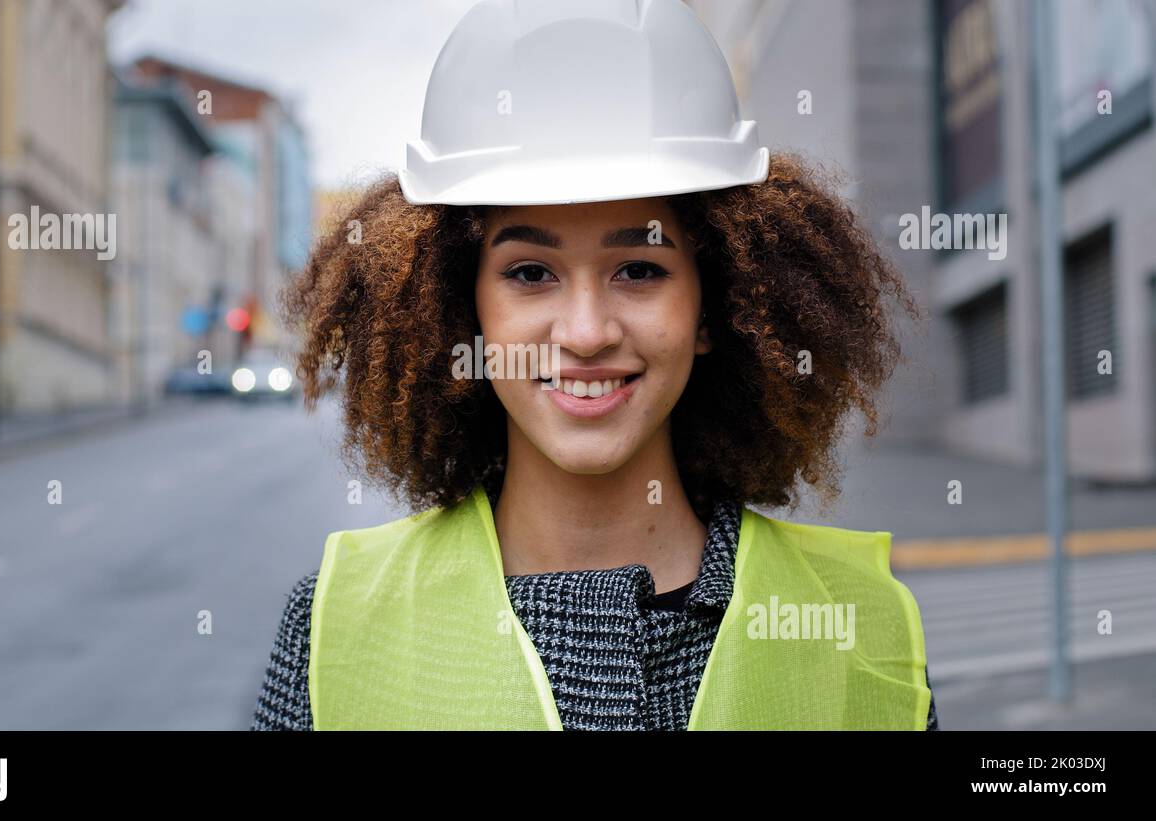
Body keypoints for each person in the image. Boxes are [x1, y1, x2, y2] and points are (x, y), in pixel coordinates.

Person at [253, 0, 937, 730]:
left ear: (715, 306)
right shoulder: (333, 627)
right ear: (463, 308)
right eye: (529, 273)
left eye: (639, 269)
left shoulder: (855, 623)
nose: (584, 333)